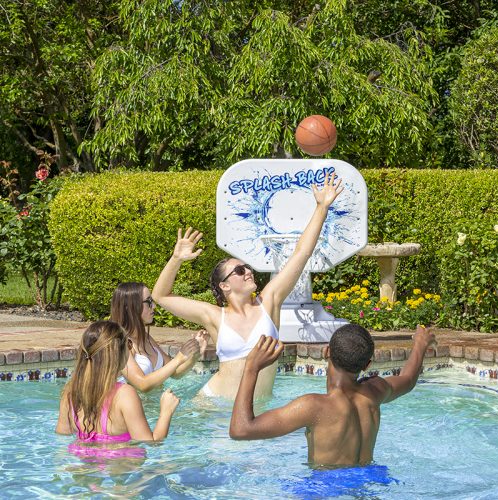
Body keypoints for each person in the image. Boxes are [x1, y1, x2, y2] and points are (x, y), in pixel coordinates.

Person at [152, 173, 344, 399]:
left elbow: (301, 253)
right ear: (224, 286)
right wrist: (176, 259)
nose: (248, 272)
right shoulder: (214, 316)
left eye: (248, 267)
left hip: (257, 409)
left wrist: (321, 207)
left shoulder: (269, 302)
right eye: (239, 271)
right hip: (214, 406)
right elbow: (161, 296)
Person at [229, 324, 436, 468]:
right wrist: (420, 344)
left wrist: (251, 368)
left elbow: (241, 430)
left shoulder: (314, 407)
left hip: (328, 487)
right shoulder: (376, 391)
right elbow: (408, 380)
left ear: (327, 352)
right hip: (370, 480)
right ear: (367, 365)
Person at [56, 320, 180, 442]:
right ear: (118, 354)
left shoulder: (70, 391)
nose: (131, 350)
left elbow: (62, 436)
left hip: (84, 461)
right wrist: (166, 411)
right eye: (129, 344)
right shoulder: (125, 394)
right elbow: (150, 442)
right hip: (122, 462)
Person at [110, 282, 209, 392]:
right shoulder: (119, 343)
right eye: (149, 302)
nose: (154, 306)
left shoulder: (146, 338)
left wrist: (195, 355)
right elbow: (142, 384)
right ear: (130, 307)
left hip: (155, 407)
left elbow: (175, 373)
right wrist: (179, 358)